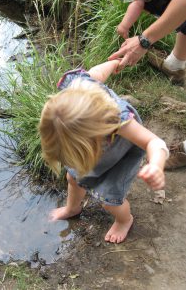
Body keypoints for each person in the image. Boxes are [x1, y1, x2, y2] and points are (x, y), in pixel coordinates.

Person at [39, 59, 169, 244]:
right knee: (73, 178)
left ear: (98, 139)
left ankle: (124, 220)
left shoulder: (120, 122)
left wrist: (156, 165)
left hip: (121, 155)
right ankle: (72, 208)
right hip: (98, 151)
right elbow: (97, 72)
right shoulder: (78, 87)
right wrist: (115, 63)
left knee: (111, 201)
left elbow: (155, 142)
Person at [109, 0, 186, 85]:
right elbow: (137, 1)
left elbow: (137, 3)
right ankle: (174, 66)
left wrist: (125, 26)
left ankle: (174, 66)